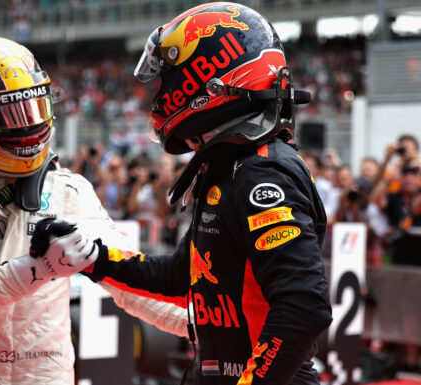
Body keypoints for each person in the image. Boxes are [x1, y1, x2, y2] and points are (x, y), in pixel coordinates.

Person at [36, 3, 333, 384]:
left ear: (207, 77)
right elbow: (185, 276)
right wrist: (94, 258)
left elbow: (305, 306)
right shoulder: (231, 165)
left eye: (168, 80)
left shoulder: (261, 172)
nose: (161, 94)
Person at [0, 36, 187, 385]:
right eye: (5, 113)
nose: (24, 125)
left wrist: (212, 327)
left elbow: (131, 285)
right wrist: (38, 269)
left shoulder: (69, 191)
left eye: (30, 108)